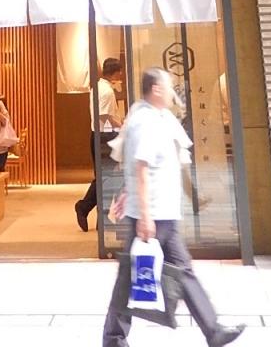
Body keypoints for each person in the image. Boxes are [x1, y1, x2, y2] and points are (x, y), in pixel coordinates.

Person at [102, 68, 243, 347]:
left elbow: (145, 167)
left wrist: (129, 194)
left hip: (162, 212)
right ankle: (114, 338)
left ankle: (213, 330)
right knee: (131, 277)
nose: (172, 93)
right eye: (168, 87)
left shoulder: (158, 117)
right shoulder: (145, 121)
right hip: (152, 214)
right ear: (156, 89)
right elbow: (141, 168)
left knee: (181, 270)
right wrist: (144, 215)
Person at [75, 57, 124, 232]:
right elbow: (104, 117)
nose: (121, 74)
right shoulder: (107, 91)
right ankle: (84, 207)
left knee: (105, 178)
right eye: (120, 71)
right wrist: (121, 126)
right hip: (105, 137)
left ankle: (101, 217)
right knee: (107, 178)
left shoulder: (97, 87)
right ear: (115, 72)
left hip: (97, 135)